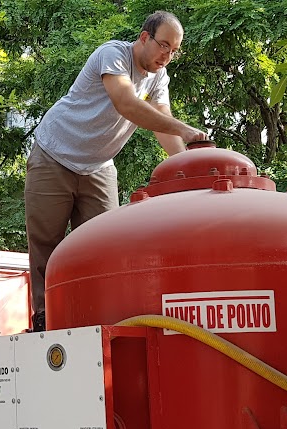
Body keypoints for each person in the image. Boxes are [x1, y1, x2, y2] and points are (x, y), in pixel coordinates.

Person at [24, 10, 208, 332]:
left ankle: (98, 318)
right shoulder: (113, 55)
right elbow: (126, 103)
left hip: (98, 166)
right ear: (144, 38)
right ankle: (46, 316)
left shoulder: (158, 78)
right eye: (163, 45)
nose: (167, 55)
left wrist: (186, 171)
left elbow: (163, 127)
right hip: (54, 154)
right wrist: (187, 129)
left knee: (102, 245)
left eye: (174, 50)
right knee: (47, 244)